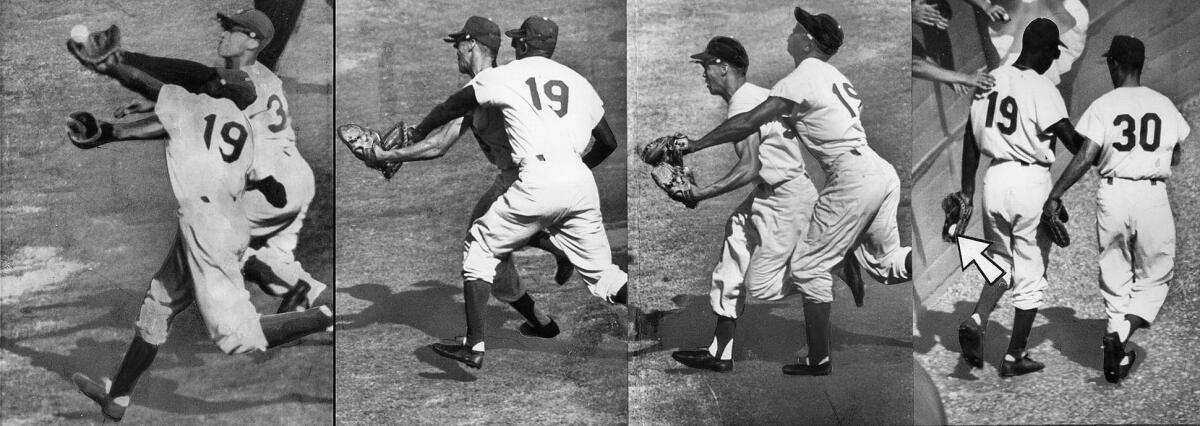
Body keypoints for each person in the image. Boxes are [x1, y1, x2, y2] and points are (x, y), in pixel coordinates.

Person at [63, 33, 333, 421]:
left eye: (212, 84)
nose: (206, 83)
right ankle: (117, 398)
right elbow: (268, 185)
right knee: (158, 305)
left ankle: (324, 316)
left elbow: (152, 87)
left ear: (218, 93)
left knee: (238, 336)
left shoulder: (197, 108)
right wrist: (110, 131)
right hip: (220, 223)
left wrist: (110, 69)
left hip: (209, 233)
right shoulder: (239, 125)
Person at [358, 16, 626, 369]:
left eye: (458, 44)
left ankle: (475, 346)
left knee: (479, 251)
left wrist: (393, 151)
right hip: (570, 179)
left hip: (527, 180)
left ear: (471, 45)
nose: (455, 50)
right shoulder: (569, 80)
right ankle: (547, 319)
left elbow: (439, 139)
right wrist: (570, 174)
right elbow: (608, 142)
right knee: (600, 274)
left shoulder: (498, 81)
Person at [675, 7, 912, 376]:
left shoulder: (798, 79)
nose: (791, 32)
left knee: (792, 275)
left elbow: (750, 128)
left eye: (798, 29)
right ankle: (720, 350)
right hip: (878, 171)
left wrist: (693, 146)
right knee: (887, 263)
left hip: (841, 183)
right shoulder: (832, 77)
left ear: (808, 42)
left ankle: (820, 353)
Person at [1040, 35, 1191, 383]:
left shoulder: (1103, 105)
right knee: (1156, 274)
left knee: (1115, 273)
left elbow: (1085, 156)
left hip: (1112, 194)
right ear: (1140, 64)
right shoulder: (1163, 103)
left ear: (1115, 64)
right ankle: (1119, 339)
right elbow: (1176, 156)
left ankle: (1114, 351)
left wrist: (1057, 193)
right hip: (1151, 195)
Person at [667, 36, 820, 372]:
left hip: (786, 200)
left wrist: (700, 193)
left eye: (707, 65)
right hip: (778, 194)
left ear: (724, 67)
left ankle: (841, 259)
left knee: (782, 280)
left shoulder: (743, 102)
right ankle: (720, 352)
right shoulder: (754, 96)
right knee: (734, 245)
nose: (703, 73)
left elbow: (749, 168)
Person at [950, 18, 1092, 377]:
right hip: (1030, 181)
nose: (1052, 61)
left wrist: (967, 192)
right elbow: (1073, 143)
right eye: (1052, 54)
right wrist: (1095, 146)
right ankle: (1014, 357)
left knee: (1000, 259)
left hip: (993, 180)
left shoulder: (991, 78)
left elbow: (970, 139)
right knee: (1031, 271)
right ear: (1042, 50)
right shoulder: (1043, 88)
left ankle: (978, 318)